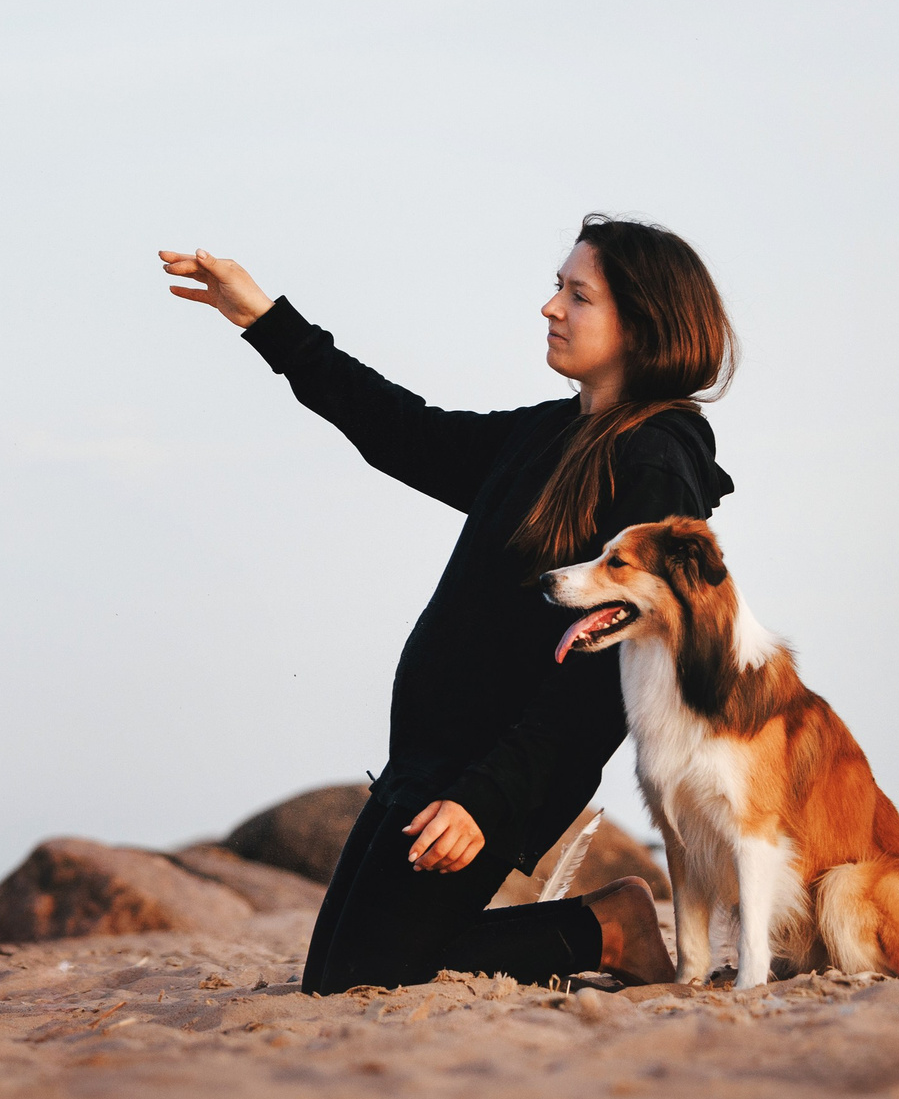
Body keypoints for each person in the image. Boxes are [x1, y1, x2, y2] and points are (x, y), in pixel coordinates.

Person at [160, 216, 738, 992]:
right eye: (556, 287)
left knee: (364, 974)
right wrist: (264, 320)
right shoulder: (548, 434)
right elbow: (402, 432)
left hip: (491, 766)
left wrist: (485, 800)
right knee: (335, 969)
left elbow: (606, 679)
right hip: (429, 752)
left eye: (578, 294)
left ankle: (608, 926)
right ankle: (606, 921)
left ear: (643, 323)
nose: (551, 307)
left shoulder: (658, 466)